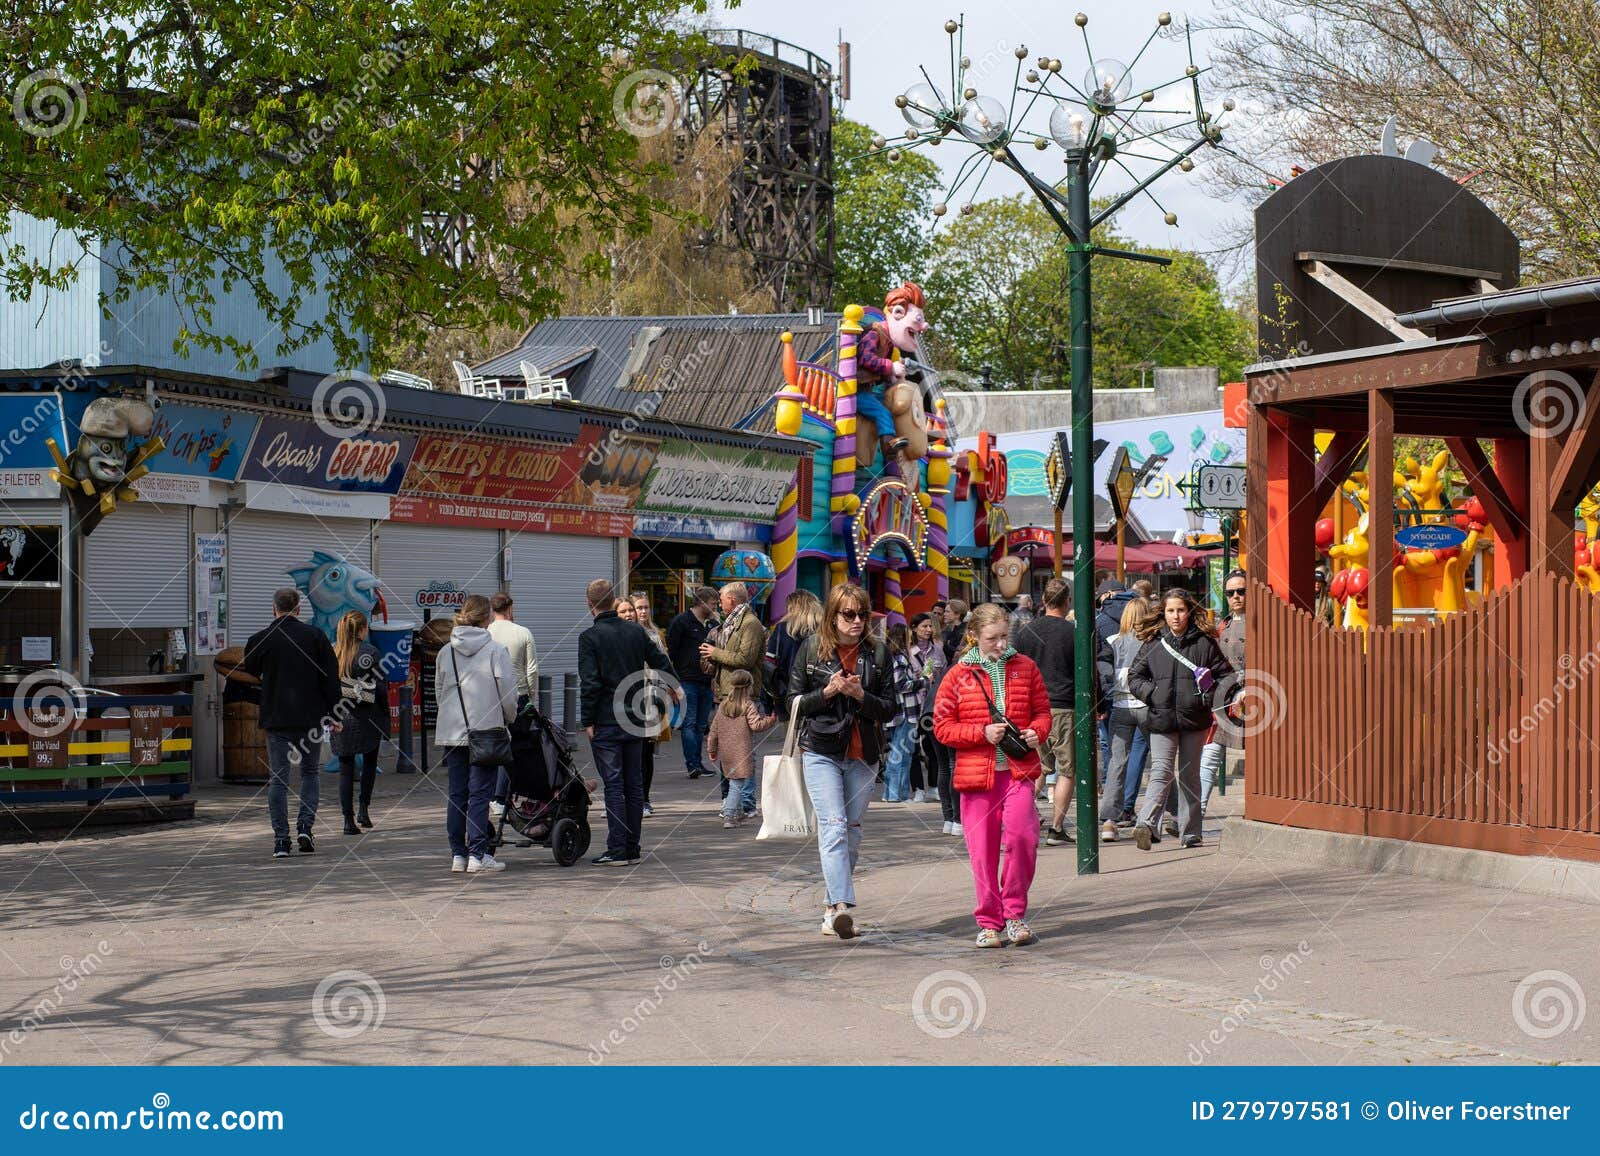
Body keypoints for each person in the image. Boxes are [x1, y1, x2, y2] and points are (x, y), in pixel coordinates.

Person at [934, 603, 1052, 949]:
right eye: (992, 638)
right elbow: (941, 727)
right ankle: (989, 922)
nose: (1000, 644)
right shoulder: (958, 675)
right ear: (974, 636)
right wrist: (979, 733)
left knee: (1023, 838)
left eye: (1004, 636)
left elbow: (1042, 712)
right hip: (977, 777)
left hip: (1017, 772)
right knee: (982, 852)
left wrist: (1036, 732)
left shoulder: (1025, 667)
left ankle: (1014, 914)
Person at [788, 583, 896, 940]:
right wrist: (828, 692)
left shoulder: (878, 653)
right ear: (832, 616)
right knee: (833, 826)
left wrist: (861, 695)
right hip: (820, 751)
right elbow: (792, 703)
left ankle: (829, 906)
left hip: (863, 754)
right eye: (848, 614)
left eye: (862, 614)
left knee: (849, 834)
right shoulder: (811, 650)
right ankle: (842, 908)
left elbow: (889, 707)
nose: (856, 621)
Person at [1127, 588, 1235, 851]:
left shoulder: (1204, 643)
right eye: (1171, 611)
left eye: (1180, 610)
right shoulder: (1153, 643)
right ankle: (1146, 824)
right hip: (1162, 717)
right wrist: (1153, 693)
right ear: (1163, 613)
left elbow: (1225, 676)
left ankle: (1191, 832)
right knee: (1161, 772)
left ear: (1189, 611)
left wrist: (1207, 698)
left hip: (1194, 718)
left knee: (1190, 775)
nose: (1176, 616)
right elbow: (1134, 677)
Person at [580, 579, 675, 866]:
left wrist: (587, 719)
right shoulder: (636, 632)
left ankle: (617, 848)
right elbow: (661, 660)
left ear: (589, 605)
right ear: (612, 601)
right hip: (636, 717)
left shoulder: (589, 637)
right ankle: (632, 847)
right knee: (633, 784)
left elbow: (590, 683)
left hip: (607, 719)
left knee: (614, 784)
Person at [243, 587, 341, 859]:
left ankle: (281, 841)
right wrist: (334, 714)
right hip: (310, 718)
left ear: (273, 609)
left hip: (276, 718)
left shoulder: (261, 639)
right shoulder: (316, 637)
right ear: (299, 609)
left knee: (278, 779)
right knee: (310, 773)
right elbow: (330, 678)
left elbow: (248, 669)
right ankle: (305, 829)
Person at [1014, 577, 1106, 847]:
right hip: (1066, 707)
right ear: (1067, 603)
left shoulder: (1025, 632)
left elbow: (1016, 671)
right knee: (1067, 770)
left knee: (1037, 767)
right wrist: (1098, 703)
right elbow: (1090, 672)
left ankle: (1021, 816)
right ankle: (1056, 827)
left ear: (1043, 601)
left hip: (1034, 709)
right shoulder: (1074, 632)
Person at [435, 594, 518, 874]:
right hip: (486, 731)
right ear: (485, 618)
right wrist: (509, 718)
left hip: (453, 733)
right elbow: (508, 694)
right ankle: (478, 854)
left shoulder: (446, 651)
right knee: (480, 794)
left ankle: (458, 854)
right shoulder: (495, 650)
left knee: (457, 793)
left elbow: (439, 691)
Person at [701, 582, 767, 816]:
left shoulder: (750, 624)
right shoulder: (727, 624)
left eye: (721, 598)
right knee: (726, 750)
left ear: (732, 599)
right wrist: (709, 658)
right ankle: (730, 799)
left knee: (744, 750)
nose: (718, 603)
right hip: (725, 694)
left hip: (743, 695)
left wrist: (715, 653)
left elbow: (745, 659)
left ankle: (746, 803)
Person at [1099, 598, 1156, 842]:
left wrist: (1104, 700)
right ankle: (1174, 814)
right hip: (1146, 705)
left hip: (1120, 706)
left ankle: (1109, 822)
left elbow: (1103, 676)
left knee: (1116, 763)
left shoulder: (1112, 642)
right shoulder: (1153, 644)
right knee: (1162, 762)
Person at [330, 610, 388, 835]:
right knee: (369, 764)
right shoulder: (370, 652)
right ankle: (364, 810)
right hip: (368, 717)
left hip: (341, 717)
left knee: (345, 770)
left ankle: (348, 821)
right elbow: (380, 688)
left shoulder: (334, 652)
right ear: (362, 630)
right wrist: (386, 717)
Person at [486, 593, 538, 821]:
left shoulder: (485, 634)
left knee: (496, 745)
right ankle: (508, 795)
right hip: (519, 697)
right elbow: (532, 670)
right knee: (518, 746)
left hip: (490, 698)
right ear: (510, 608)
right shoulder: (523, 632)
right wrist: (531, 697)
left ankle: (495, 796)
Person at [1201, 569, 1249, 815]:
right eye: (1231, 593)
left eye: (1242, 591)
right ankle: (1196, 812)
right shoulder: (1222, 624)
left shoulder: (1260, 624)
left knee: (1258, 757)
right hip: (1222, 697)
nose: (1236, 597)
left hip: (1253, 697)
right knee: (1210, 755)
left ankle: (1255, 809)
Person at [707, 669, 777, 828]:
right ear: (749, 687)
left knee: (734, 781)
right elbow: (756, 725)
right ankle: (729, 815)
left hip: (726, 752)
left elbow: (714, 731)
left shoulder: (723, 706)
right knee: (737, 783)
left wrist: (712, 750)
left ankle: (737, 812)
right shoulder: (748, 705)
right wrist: (770, 720)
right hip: (742, 751)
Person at [666, 586, 719, 779]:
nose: (716, 606)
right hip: (686, 680)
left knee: (701, 724)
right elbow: (671, 651)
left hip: (706, 680)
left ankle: (698, 762)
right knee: (688, 723)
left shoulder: (711, 624)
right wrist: (672, 680)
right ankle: (692, 764)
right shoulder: (681, 622)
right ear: (701, 602)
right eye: (713, 603)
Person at [631, 592, 668, 817]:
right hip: (628, 697)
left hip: (649, 696)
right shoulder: (626, 634)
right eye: (639, 608)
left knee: (645, 751)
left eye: (646, 607)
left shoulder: (655, 635)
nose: (643, 612)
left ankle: (644, 799)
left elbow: (663, 666)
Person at [908, 612, 948, 805]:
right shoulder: (907, 652)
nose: (928, 630)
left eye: (930, 626)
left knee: (933, 747)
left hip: (933, 705)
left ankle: (933, 787)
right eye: (924, 626)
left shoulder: (937, 651)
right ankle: (917, 789)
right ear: (914, 628)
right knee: (913, 748)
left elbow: (945, 677)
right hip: (913, 705)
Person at [882, 623, 924, 803]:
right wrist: (921, 681)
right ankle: (894, 794)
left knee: (902, 753)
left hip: (902, 712)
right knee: (900, 754)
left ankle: (899, 793)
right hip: (905, 712)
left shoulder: (894, 657)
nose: (911, 640)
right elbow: (899, 685)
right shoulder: (899, 658)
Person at [763, 589, 822, 715]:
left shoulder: (781, 629)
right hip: (820, 697)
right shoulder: (824, 630)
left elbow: (769, 667)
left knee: (791, 734)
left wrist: (767, 705)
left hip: (787, 697)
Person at [940, 599, 969, 664]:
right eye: (945, 611)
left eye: (947, 612)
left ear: (957, 614)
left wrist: (943, 645)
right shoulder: (948, 629)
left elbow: (959, 653)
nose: (944, 614)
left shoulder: (964, 632)